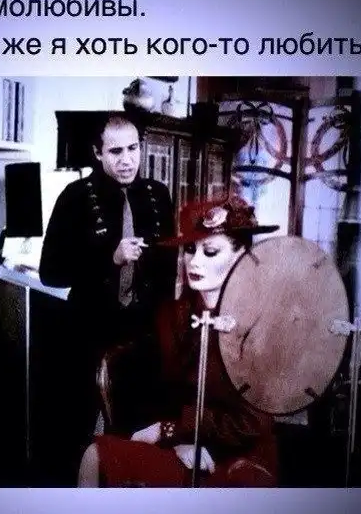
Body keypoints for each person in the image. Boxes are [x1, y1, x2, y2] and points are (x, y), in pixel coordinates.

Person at [77, 195, 280, 487]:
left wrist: (172, 430)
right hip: (182, 443)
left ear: (240, 257)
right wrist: (176, 439)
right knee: (94, 457)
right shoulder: (174, 315)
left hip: (241, 457)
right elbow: (159, 390)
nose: (194, 262)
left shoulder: (260, 324)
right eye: (190, 250)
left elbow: (252, 424)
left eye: (210, 251)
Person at [38, 111, 178, 485]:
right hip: (88, 329)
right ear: (98, 153)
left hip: (143, 333)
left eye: (133, 148)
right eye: (116, 151)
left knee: (136, 430)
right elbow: (51, 271)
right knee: (76, 428)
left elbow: (168, 271)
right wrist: (109, 259)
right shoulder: (75, 197)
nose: (127, 160)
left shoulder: (158, 195)